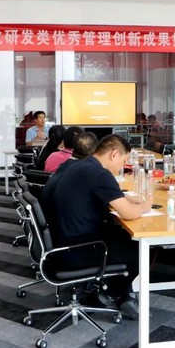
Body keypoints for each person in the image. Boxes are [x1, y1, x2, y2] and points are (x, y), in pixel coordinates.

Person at [51, 134, 151, 319]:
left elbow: (99, 193)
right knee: (142, 250)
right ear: (114, 154)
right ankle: (114, 293)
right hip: (79, 249)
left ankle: (114, 290)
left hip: (64, 240)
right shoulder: (100, 174)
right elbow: (128, 213)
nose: (123, 166)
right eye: (124, 160)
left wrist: (125, 198)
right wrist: (146, 206)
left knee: (122, 235)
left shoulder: (81, 166)